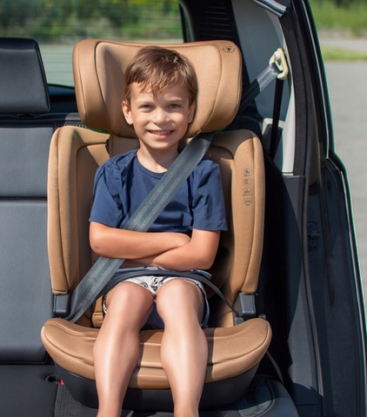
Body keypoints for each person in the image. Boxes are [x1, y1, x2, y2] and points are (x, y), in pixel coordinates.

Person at [89, 46, 227, 417]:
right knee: (125, 303)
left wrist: (132, 250)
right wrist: (171, 240)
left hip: (184, 278)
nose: (160, 119)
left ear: (191, 111)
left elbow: (202, 255)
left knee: (177, 298)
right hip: (127, 279)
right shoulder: (114, 173)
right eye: (147, 106)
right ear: (128, 112)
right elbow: (100, 240)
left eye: (173, 106)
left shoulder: (203, 174)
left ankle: (186, 410)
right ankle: (108, 410)